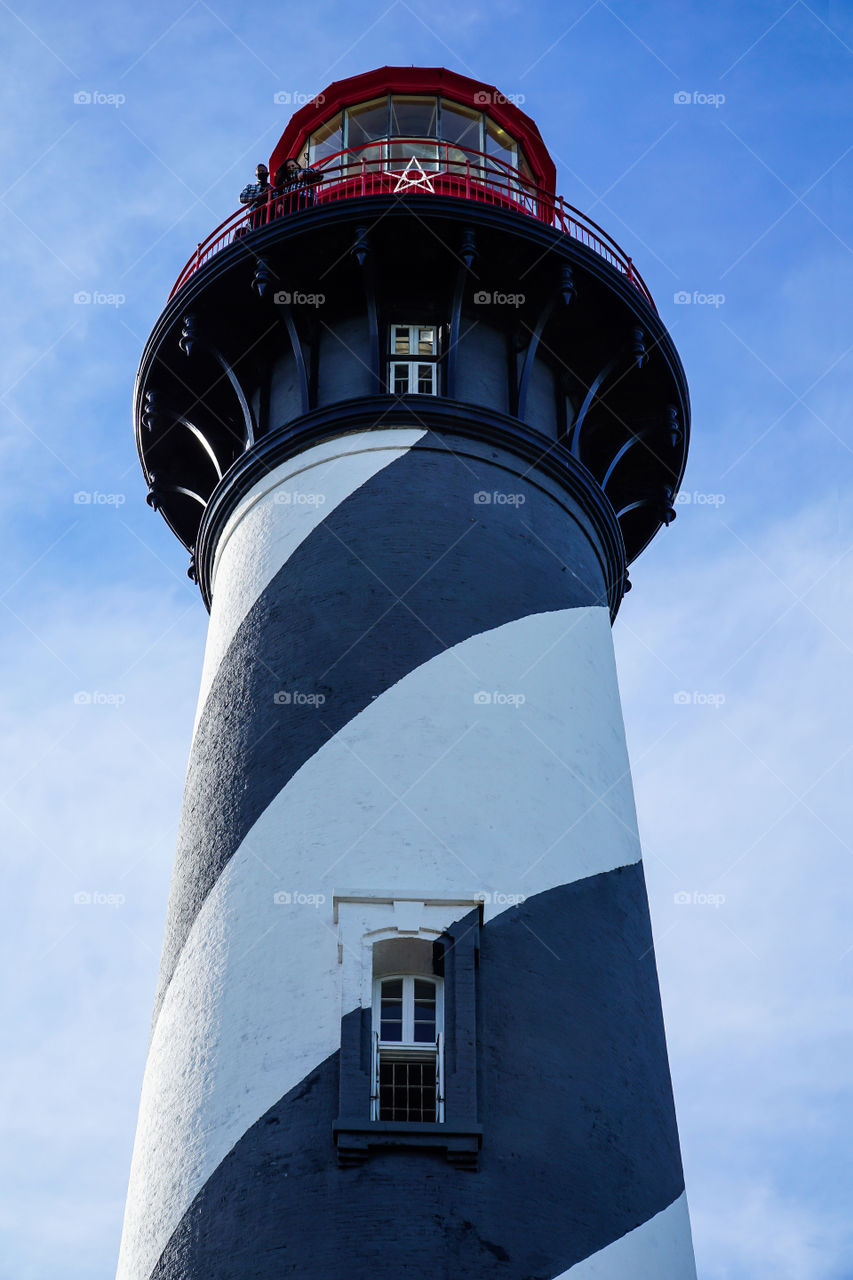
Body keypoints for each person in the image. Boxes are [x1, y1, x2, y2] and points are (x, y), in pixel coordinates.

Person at [239, 163, 273, 230]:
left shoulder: (272, 188)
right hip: (255, 214)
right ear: (256, 175)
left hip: (270, 213)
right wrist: (260, 195)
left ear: (267, 173)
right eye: (259, 172)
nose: (261, 173)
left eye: (263, 171)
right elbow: (242, 197)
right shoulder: (250, 187)